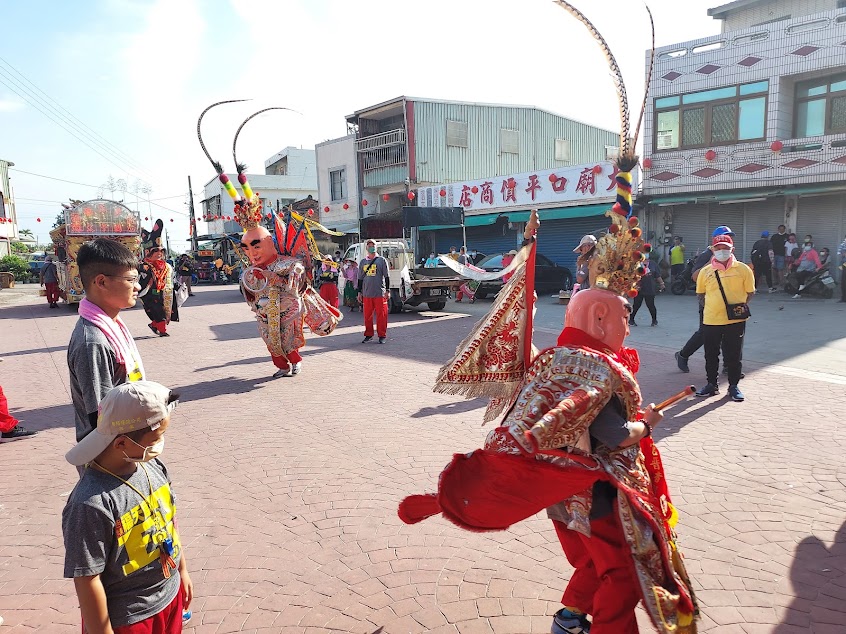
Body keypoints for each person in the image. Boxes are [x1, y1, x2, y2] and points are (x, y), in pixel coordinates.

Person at [62, 381, 192, 633]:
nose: (160, 444)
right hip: (130, 618)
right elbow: (87, 578)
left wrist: (182, 571)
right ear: (121, 444)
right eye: (156, 437)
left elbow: (169, 521)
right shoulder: (90, 504)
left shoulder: (152, 466)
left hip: (169, 596)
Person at [68, 239, 145, 446]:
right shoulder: (93, 341)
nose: (137, 286)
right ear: (101, 282)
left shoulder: (112, 326)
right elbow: (101, 418)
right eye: (131, 280)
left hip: (128, 443)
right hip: (110, 455)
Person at [694, 234, 754, 402]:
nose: (722, 251)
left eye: (725, 248)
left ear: (732, 250)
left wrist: (736, 308)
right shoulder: (705, 272)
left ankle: (733, 386)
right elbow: (700, 294)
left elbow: (750, 292)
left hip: (735, 321)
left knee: (734, 355)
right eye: (718, 248)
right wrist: (713, 308)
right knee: (710, 354)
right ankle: (711, 384)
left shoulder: (743, 269)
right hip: (711, 320)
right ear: (713, 250)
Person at [674, 225, 734, 374]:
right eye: (725, 236)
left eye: (730, 237)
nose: (729, 239)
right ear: (715, 240)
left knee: (728, 332)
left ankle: (728, 365)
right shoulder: (706, 255)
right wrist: (712, 261)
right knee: (705, 333)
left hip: (726, 300)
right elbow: (695, 276)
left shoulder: (729, 255)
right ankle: (683, 355)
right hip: (708, 301)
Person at [139, 243, 178, 337]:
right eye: (156, 251)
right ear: (149, 252)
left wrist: (177, 286)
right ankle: (162, 331)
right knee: (158, 311)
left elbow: (172, 278)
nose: (159, 253)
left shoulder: (167, 266)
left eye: (161, 251)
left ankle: (154, 325)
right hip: (150, 293)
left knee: (165, 311)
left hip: (165, 292)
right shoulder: (144, 265)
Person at [358, 239, 391, 344]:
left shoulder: (381, 260)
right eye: (369, 246)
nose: (371, 247)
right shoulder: (363, 262)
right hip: (367, 293)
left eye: (373, 245)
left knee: (382, 315)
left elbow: (386, 276)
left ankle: (382, 335)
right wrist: (359, 292)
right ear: (366, 248)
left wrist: (388, 290)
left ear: (376, 247)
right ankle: (368, 334)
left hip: (379, 293)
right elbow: (360, 278)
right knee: (367, 316)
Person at [629, 258, 662, 326]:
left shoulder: (653, 264)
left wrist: (662, 284)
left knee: (650, 305)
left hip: (649, 287)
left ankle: (654, 320)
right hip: (639, 287)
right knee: (636, 305)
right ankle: (631, 320)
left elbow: (657, 275)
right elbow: (631, 275)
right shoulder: (636, 264)